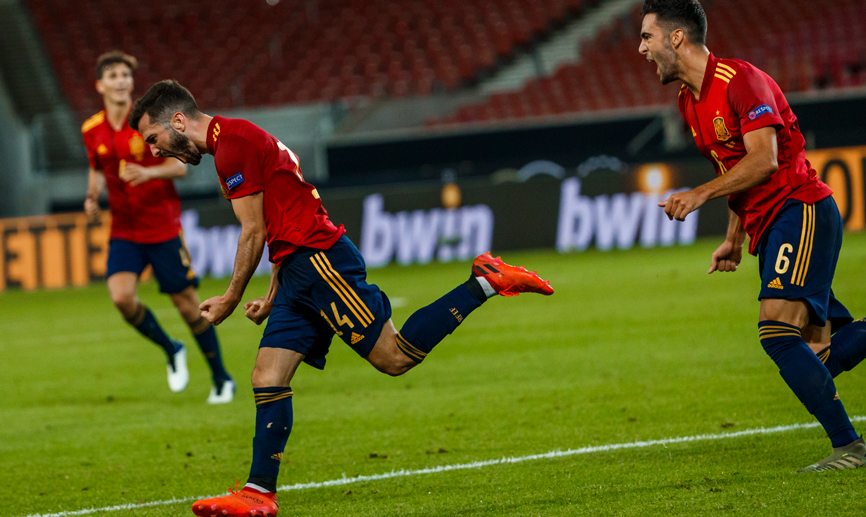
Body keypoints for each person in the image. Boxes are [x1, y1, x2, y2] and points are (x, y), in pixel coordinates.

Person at [129, 79, 554, 517]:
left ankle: (483, 281)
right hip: (297, 270)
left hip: (320, 263)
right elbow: (282, 219)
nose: (155, 151)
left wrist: (230, 298)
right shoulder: (235, 140)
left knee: (394, 356)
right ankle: (258, 493)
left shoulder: (233, 145)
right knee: (266, 374)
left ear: (178, 120)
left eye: (154, 139)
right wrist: (274, 296)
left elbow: (253, 230)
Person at [639, 0, 866, 472]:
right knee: (814, 356)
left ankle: (850, 447)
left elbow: (763, 161)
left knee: (776, 332)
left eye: (647, 37)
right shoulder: (687, 100)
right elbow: (735, 169)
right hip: (769, 223)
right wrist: (734, 238)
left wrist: (700, 194)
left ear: (676, 38)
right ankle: (848, 443)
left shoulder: (741, 82)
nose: (642, 49)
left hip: (800, 209)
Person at [82, 51, 234, 403]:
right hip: (123, 230)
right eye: (114, 75)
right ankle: (171, 348)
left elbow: (182, 166)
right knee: (121, 297)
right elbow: (96, 167)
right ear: (100, 85)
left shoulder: (148, 122)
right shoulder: (92, 130)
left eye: (125, 75)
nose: (121, 81)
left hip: (162, 227)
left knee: (187, 305)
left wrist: (148, 172)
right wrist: (92, 197)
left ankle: (221, 378)